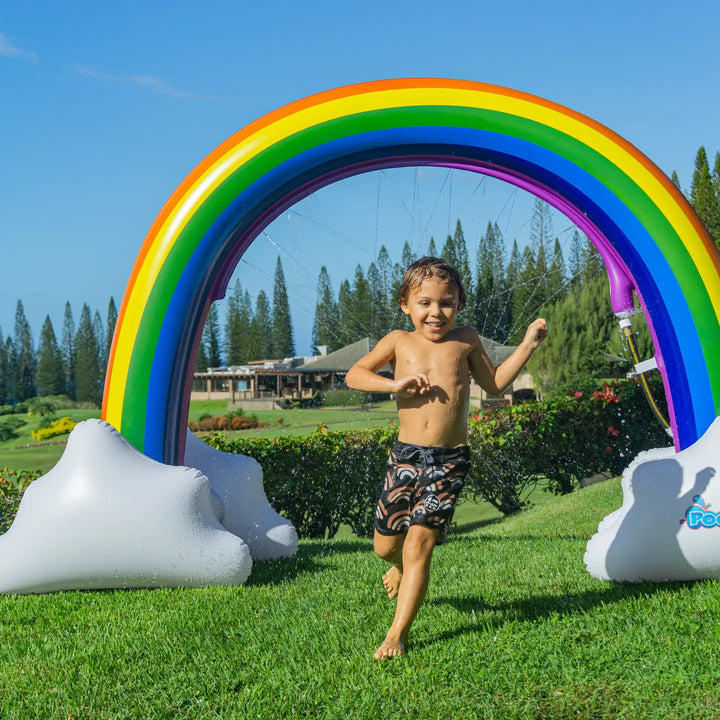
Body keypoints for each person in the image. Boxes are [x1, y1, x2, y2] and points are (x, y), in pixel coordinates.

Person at [345, 256, 547, 660]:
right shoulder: (397, 341)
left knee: (419, 541)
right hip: (404, 455)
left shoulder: (466, 339)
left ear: (459, 304)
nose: (436, 312)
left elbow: (493, 385)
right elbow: (354, 375)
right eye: (425, 303)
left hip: (449, 459)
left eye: (447, 302)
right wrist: (395, 384)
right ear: (405, 304)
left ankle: (396, 635)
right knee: (385, 548)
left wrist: (526, 345)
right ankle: (398, 567)